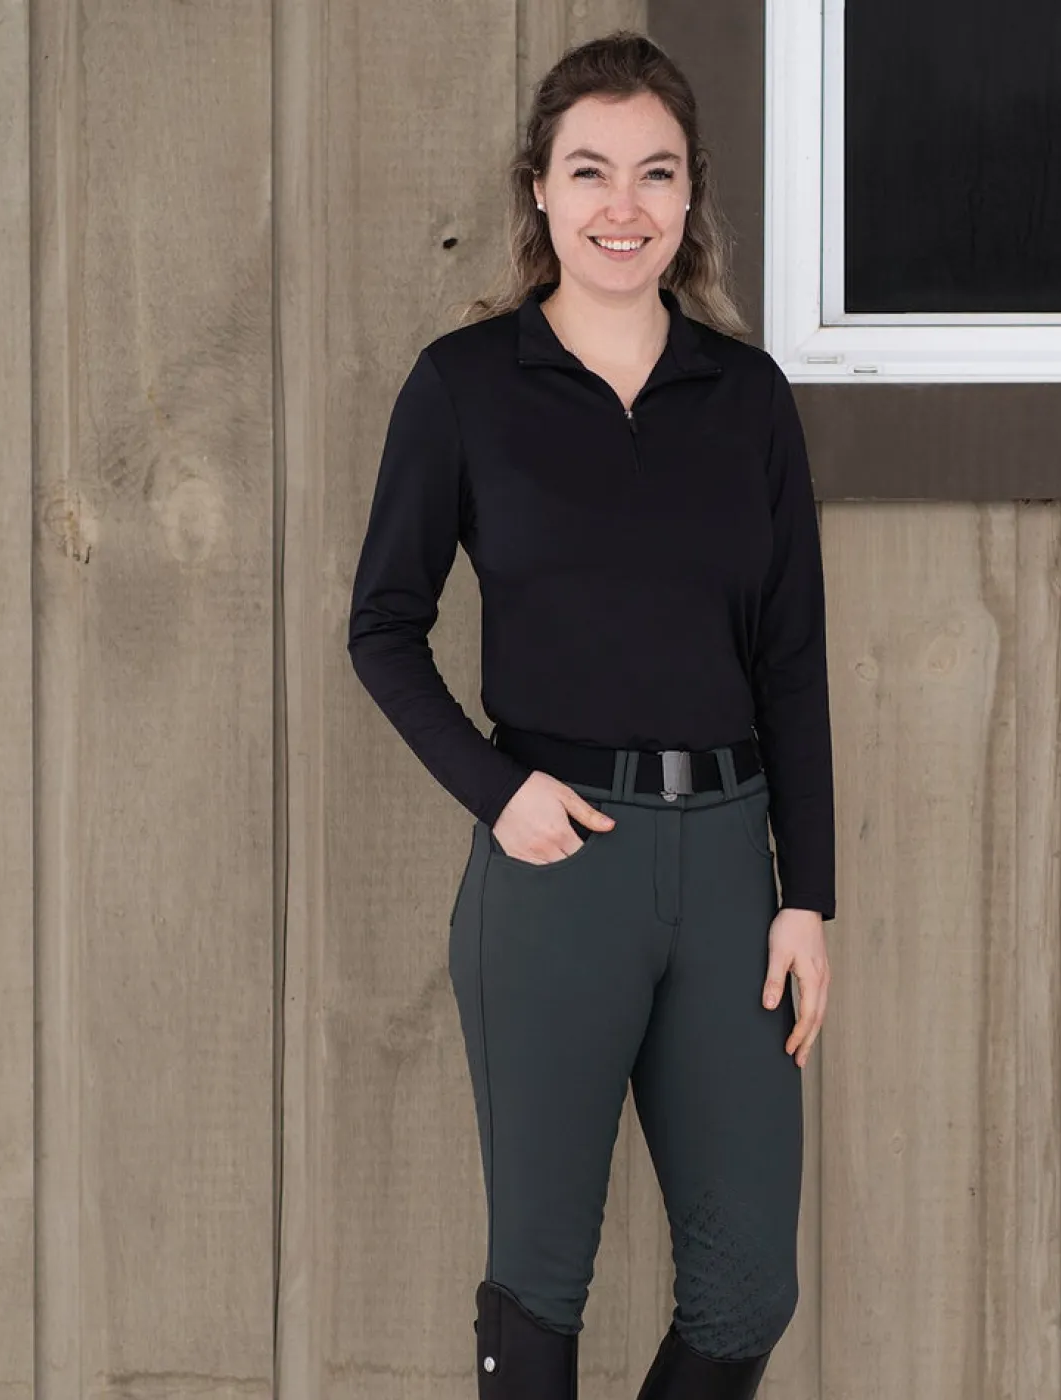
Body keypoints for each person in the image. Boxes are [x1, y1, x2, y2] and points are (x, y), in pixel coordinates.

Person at [347, 29, 835, 1400]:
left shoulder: (748, 400)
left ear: (690, 198)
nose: (625, 205)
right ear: (541, 191)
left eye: (655, 173)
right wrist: (497, 792)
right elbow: (382, 628)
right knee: (541, 1282)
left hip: (733, 870)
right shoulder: (465, 389)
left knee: (749, 1288)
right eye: (591, 171)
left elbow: (792, 663)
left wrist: (809, 899)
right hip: (558, 865)